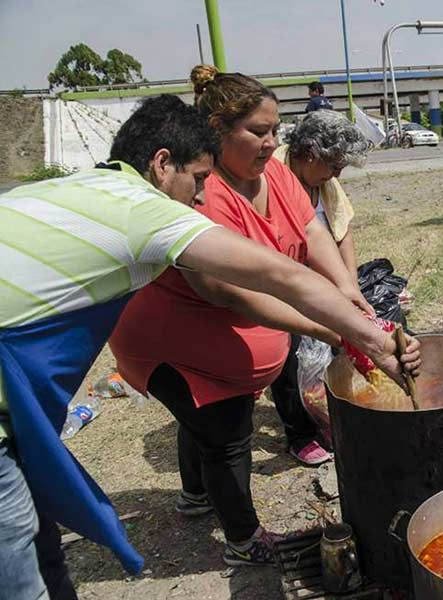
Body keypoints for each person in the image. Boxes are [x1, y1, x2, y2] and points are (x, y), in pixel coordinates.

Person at [0, 95, 420, 599]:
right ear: (161, 163)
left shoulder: (86, 186)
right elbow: (277, 274)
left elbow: (308, 242)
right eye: (198, 178)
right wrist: (370, 338)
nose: (201, 196)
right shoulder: (144, 210)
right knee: (20, 567)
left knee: (39, 542)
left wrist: (353, 309)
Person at [109, 68, 411, 567]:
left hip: (218, 335)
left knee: (199, 421)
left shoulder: (276, 176)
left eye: (275, 130)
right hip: (171, 339)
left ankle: (195, 495)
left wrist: (350, 294)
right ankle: (244, 541)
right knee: (225, 434)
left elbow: (314, 235)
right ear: (217, 129)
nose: (272, 143)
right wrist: (334, 327)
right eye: (257, 132)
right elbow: (234, 294)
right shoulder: (200, 193)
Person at [270, 109, 368, 465]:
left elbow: (341, 231)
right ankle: (299, 434)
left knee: (331, 353)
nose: (337, 174)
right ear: (310, 154)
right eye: (335, 165)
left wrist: (351, 286)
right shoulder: (272, 176)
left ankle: (328, 417)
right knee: (287, 356)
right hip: (282, 282)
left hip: (320, 282)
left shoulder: (324, 181)